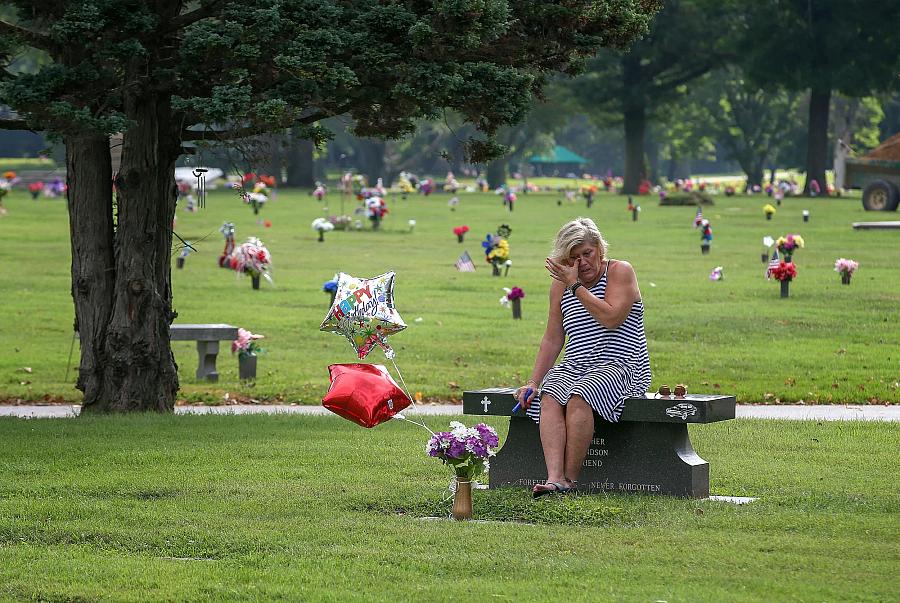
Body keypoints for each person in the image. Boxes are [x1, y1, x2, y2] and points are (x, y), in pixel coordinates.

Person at [516, 217, 651, 497]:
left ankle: (570, 481)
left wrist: (576, 287)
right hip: (576, 364)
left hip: (622, 366)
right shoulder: (560, 285)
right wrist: (533, 382)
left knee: (581, 394)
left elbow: (611, 318)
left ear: (600, 249)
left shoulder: (619, 271)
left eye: (587, 254)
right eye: (573, 258)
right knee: (551, 394)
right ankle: (553, 479)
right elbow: (553, 337)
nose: (582, 263)